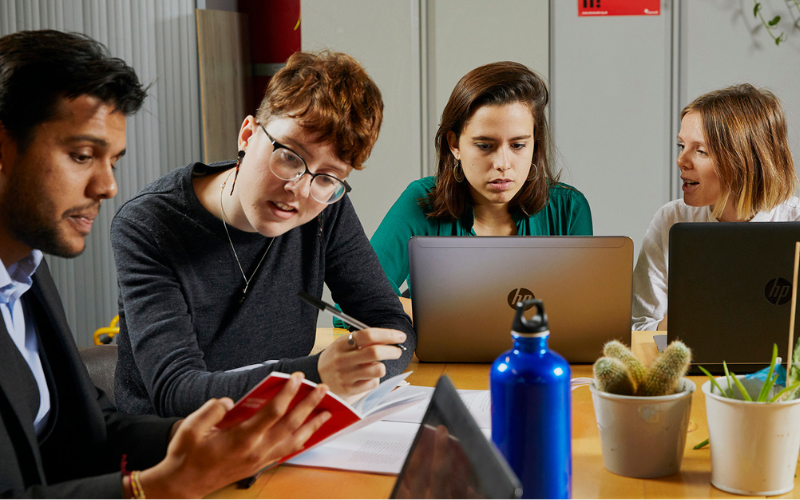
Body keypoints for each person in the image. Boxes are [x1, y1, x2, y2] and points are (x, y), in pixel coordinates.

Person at [0, 29, 332, 498]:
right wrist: (154, 487)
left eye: (113, 161)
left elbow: (87, 430)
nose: (107, 186)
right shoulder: (136, 226)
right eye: (82, 156)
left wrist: (200, 440)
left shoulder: (26, 271)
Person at [112, 50, 414, 418]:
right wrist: (317, 375)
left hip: (279, 428)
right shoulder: (149, 223)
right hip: (176, 442)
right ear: (247, 135)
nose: (299, 189)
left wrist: (365, 370)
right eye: (289, 156)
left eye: (327, 177)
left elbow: (391, 323)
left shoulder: (326, 209)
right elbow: (176, 391)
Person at [370, 61, 592, 317]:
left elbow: (582, 311)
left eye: (518, 145)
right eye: (485, 146)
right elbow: (360, 298)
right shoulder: (421, 200)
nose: (502, 164)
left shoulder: (569, 208)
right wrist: (454, 317)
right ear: (455, 145)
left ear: (535, 145)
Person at [632, 84, 800, 331]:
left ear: (744, 161)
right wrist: (688, 319)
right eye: (682, 146)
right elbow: (641, 326)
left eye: (701, 151)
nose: (681, 160)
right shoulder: (671, 219)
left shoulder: (795, 219)